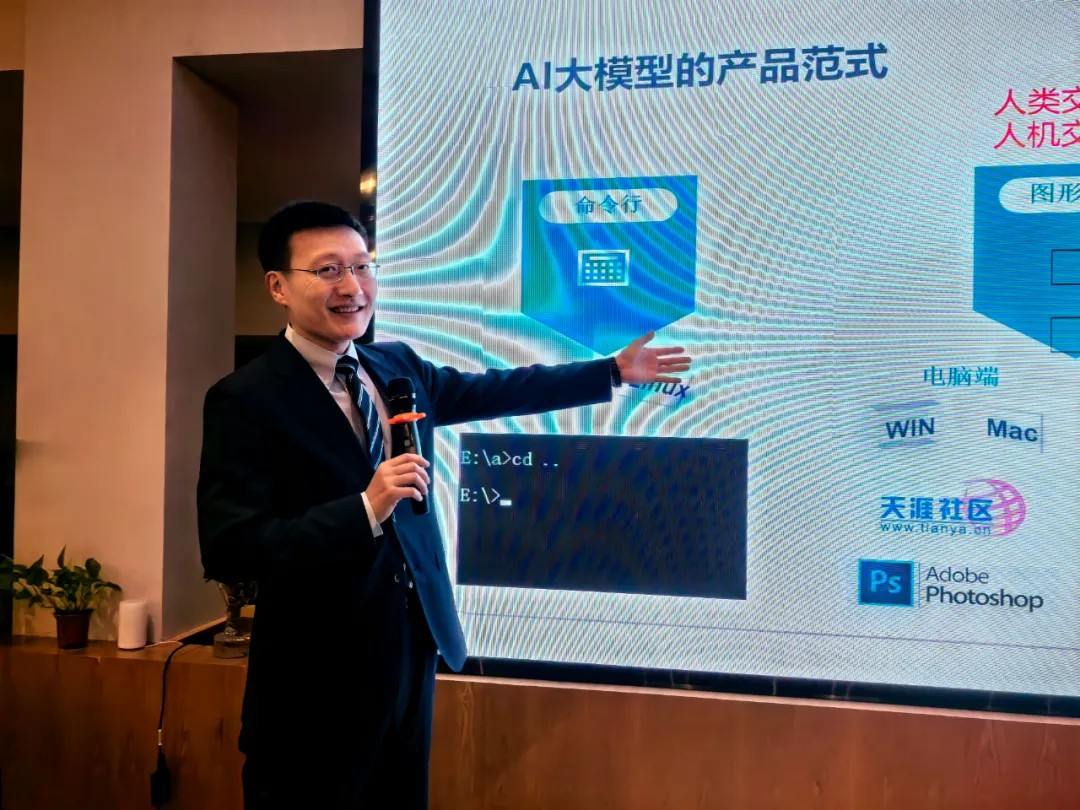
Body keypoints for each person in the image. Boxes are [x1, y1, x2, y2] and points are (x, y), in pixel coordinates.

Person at [196, 200, 691, 809]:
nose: (352, 286)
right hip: (315, 683)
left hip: (410, 648)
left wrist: (609, 372)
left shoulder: (393, 366)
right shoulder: (245, 399)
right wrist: (364, 508)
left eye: (362, 266)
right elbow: (231, 546)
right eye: (328, 270)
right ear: (278, 286)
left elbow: (493, 391)